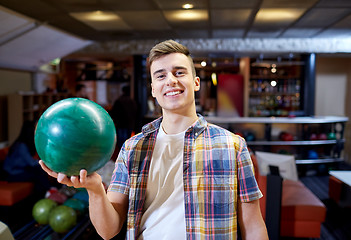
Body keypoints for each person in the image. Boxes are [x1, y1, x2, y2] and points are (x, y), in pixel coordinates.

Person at [39, 40, 268, 239]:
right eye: (161, 75)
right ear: (153, 89)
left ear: (196, 83)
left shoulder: (232, 146)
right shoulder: (132, 148)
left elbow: (254, 227)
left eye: (179, 72)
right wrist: (95, 189)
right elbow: (108, 231)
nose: (170, 80)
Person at [3, 121, 52, 198]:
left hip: (19, 170)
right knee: (38, 172)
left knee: (39, 171)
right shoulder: (21, 145)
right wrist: (45, 163)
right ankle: (47, 192)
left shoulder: (23, 144)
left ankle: (47, 191)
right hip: (12, 174)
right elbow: (31, 163)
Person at [109, 85, 138, 150]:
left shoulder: (119, 100)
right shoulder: (132, 101)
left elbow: (114, 113)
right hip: (130, 124)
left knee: (121, 143)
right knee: (128, 142)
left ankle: (121, 157)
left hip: (121, 124)